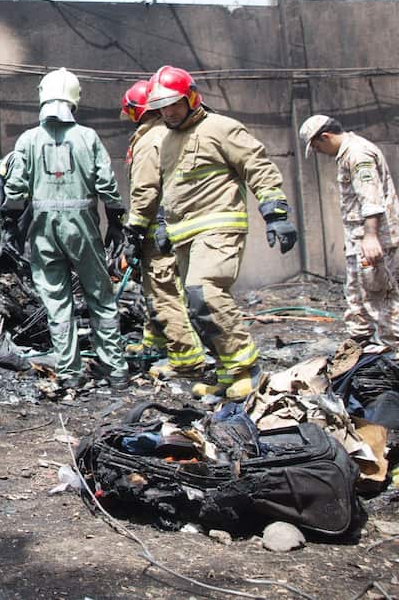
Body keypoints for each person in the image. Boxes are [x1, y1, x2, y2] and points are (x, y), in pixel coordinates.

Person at [130, 65, 297, 400]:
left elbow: (257, 165)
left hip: (219, 227)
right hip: (184, 235)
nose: (169, 111)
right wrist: (157, 224)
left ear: (192, 97)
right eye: (162, 106)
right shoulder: (166, 140)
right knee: (195, 306)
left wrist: (275, 212)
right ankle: (226, 374)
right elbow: (164, 188)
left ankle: (247, 371)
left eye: (175, 103)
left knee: (204, 291)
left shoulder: (220, 128)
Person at [3, 68, 129, 390]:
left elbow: (15, 190)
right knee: (100, 296)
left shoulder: (28, 139)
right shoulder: (88, 137)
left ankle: (70, 374)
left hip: (43, 229)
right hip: (83, 227)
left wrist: (10, 223)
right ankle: (115, 370)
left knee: (57, 302)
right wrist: (115, 221)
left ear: (42, 95)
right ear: (75, 98)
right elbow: (107, 184)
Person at [120, 80, 206, 378]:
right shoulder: (171, 134)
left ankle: (186, 358)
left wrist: (134, 230)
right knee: (156, 286)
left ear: (136, 111)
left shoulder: (149, 140)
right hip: (173, 225)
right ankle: (154, 340)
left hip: (157, 231)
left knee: (163, 290)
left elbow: (144, 191)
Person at [300, 114, 399, 349]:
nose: (319, 152)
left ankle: (393, 352)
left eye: (316, 146)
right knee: (358, 297)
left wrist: (371, 236)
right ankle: (362, 349)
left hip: (375, 241)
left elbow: (370, 197)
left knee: (381, 299)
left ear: (325, 137)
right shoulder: (348, 153)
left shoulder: (358, 154)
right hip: (360, 241)